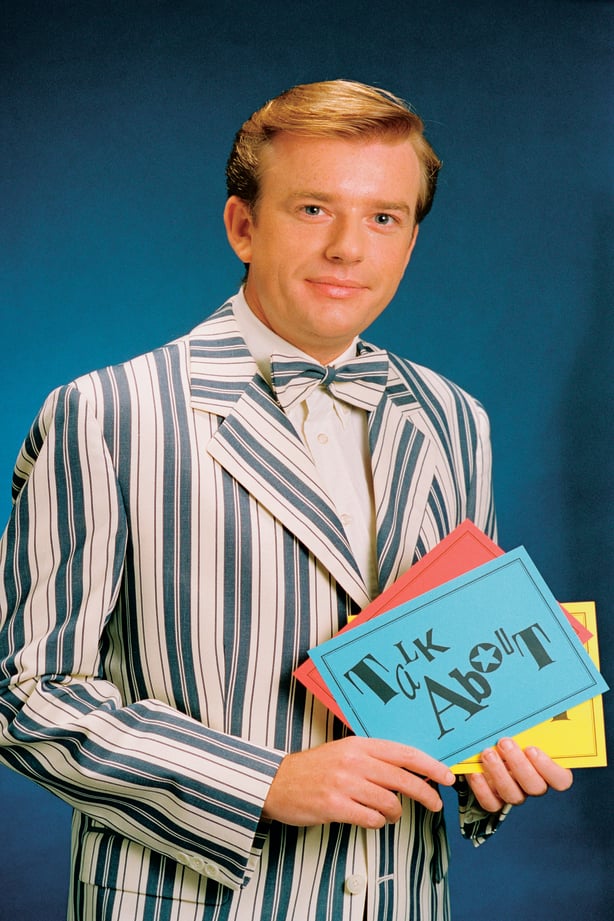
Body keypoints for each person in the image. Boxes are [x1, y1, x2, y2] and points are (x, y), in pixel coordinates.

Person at [0, 80, 572, 921]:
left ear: (411, 239)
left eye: (385, 217)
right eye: (313, 209)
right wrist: (262, 780)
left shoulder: (457, 419)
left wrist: (496, 762)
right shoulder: (106, 413)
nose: (349, 247)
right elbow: (28, 696)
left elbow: (459, 675)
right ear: (242, 226)